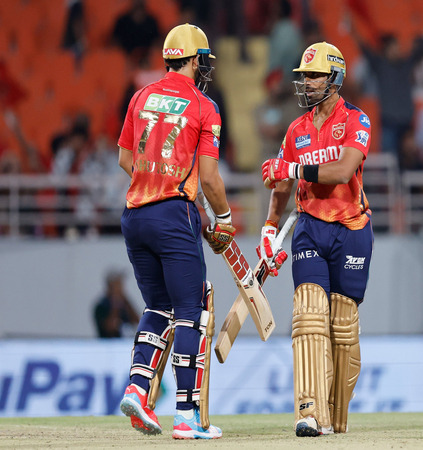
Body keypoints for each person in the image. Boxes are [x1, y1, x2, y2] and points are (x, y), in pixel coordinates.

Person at [116, 24, 234, 439]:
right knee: (191, 312)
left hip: (135, 214)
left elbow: (126, 159)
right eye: (203, 59)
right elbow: (211, 178)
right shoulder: (204, 106)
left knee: (157, 307)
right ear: (195, 58)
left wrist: (158, 184)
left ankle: (137, 388)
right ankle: (186, 416)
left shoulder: (141, 96)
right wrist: (221, 218)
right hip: (172, 216)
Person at [261, 42, 373, 437]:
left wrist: (290, 165)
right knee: (309, 318)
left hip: (352, 230)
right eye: (303, 76)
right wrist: (270, 229)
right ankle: (309, 413)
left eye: (313, 75)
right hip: (309, 228)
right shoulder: (295, 130)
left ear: (335, 78)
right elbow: (281, 184)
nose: (306, 83)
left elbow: (343, 171)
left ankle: (335, 418)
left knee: (342, 329)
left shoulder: (358, 120)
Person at [350, 2, 423, 157]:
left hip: (407, 122)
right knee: (388, 160)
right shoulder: (379, 64)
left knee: (410, 159)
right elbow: (362, 45)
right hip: (389, 122)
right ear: (386, 49)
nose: (399, 49)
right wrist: (351, 25)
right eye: (395, 46)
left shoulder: (405, 63)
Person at [111, 0, 161, 66]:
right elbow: (114, 41)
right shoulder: (122, 21)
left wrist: (148, 56)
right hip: (125, 58)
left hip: (146, 59)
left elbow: (157, 41)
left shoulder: (152, 21)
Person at [94, 269, 139, 338]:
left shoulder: (124, 304)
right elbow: (110, 328)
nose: (120, 288)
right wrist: (115, 303)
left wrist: (126, 300)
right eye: (117, 285)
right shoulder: (101, 306)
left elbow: (137, 321)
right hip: (106, 345)